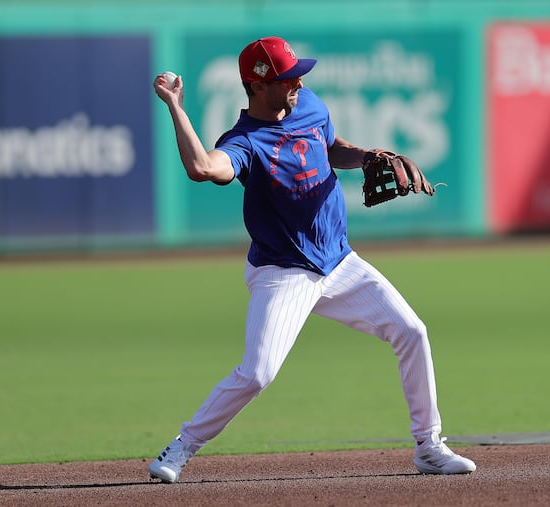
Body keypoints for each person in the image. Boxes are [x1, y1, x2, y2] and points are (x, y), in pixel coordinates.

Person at [148, 36, 476, 483]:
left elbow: (331, 145)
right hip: (283, 272)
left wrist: (365, 157)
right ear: (258, 86)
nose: (298, 81)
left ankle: (429, 446)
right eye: (288, 77)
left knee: (412, 332)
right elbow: (203, 168)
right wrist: (175, 106)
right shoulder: (246, 142)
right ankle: (181, 447)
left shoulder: (308, 105)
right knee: (257, 373)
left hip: (339, 261)